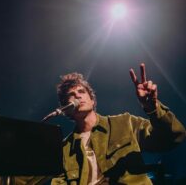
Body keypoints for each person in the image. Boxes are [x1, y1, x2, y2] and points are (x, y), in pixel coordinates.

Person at [13, 63, 185, 185]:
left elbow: (173, 136)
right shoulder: (63, 149)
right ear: (65, 108)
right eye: (70, 95)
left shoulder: (124, 123)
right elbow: (21, 178)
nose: (77, 96)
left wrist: (152, 108)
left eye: (81, 91)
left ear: (91, 98)